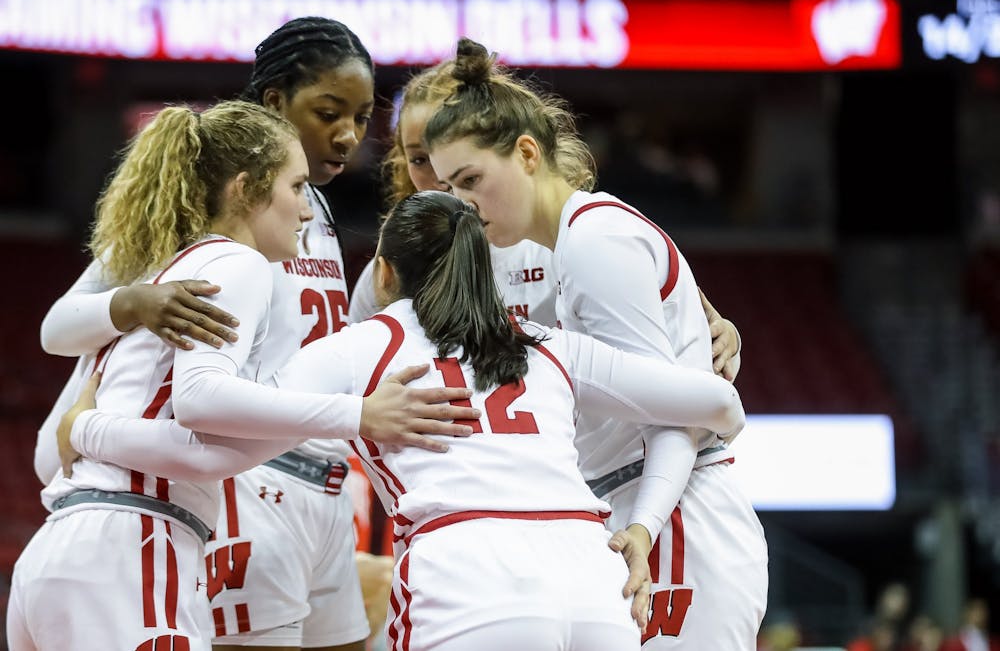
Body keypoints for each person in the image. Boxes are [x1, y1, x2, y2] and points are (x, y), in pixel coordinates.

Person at [58, 190, 749, 651]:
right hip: (592, 574)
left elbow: (215, 449)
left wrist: (88, 429)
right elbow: (720, 405)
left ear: (384, 272)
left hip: (468, 571)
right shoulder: (548, 344)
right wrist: (715, 331)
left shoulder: (366, 345)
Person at [11, 100, 474, 651]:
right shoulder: (237, 262)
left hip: (64, 550)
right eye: (297, 188)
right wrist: (360, 415)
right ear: (243, 189)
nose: (308, 211)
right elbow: (201, 401)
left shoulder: (167, 265)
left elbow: (80, 442)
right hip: (133, 547)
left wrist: (83, 429)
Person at [423, 38, 769, 649]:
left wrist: (643, 525)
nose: (463, 205)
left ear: (527, 153)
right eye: (451, 187)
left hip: (673, 517)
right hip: (645, 509)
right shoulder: (581, 239)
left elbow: (677, 412)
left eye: (471, 179)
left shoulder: (593, 242)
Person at [348, 60, 743, 382]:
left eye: (460, 163)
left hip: (572, 461)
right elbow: (353, 376)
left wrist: (724, 335)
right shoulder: (394, 266)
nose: (437, 174)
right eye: (420, 159)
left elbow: (685, 325)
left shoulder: (575, 235)